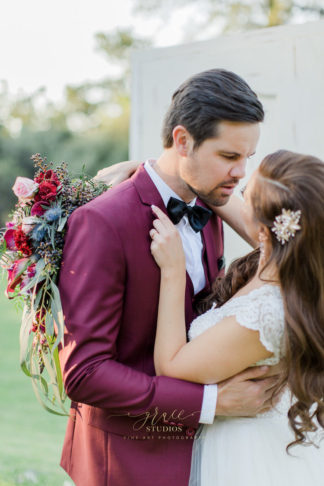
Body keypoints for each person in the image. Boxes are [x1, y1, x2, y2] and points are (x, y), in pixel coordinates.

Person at [58, 69, 280, 486]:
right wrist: (211, 401)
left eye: (246, 159)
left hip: (210, 457)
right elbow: (84, 372)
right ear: (182, 141)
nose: (240, 173)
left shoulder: (211, 206)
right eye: (229, 157)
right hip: (127, 462)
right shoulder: (103, 222)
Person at [148, 149, 324, 485]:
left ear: (267, 229)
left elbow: (170, 366)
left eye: (247, 194)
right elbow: (219, 200)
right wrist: (154, 171)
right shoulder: (290, 263)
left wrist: (173, 271)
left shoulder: (268, 312)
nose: (238, 190)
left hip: (246, 456)